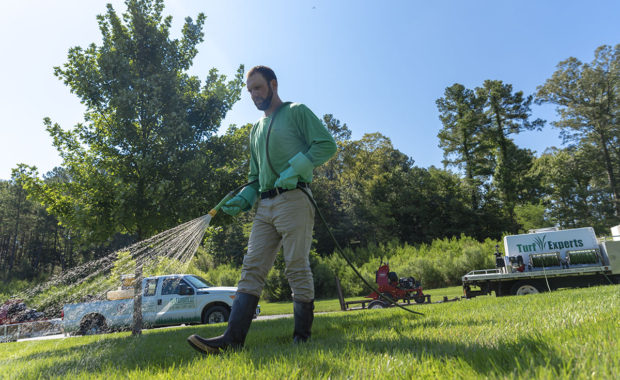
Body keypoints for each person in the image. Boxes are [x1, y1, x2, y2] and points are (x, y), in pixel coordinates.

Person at [187, 66, 337, 354]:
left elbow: (326, 145)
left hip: (294, 198)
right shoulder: (255, 129)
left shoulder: (296, 111)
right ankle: (231, 341)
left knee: (296, 266)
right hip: (264, 206)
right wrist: (245, 197)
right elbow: (255, 177)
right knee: (251, 268)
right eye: (250, 91)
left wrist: (296, 169)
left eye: (258, 87)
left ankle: (301, 338)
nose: (254, 94)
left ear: (273, 84)